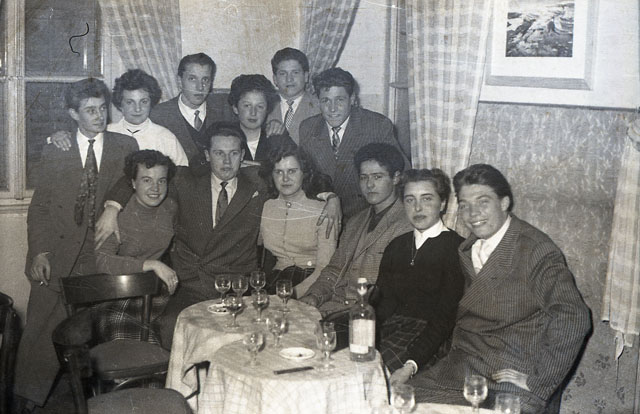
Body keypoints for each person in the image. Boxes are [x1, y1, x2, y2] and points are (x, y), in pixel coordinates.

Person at [408, 164, 591, 413]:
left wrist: (538, 381)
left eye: (483, 202)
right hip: (462, 368)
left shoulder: (535, 249)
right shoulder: (467, 248)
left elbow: (574, 316)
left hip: (508, 375)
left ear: (504, 203)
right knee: (399, 402)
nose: (473, 213)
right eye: (464, 205)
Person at [14, 78, 138, 409]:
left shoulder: (124, 146)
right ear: (73, 114)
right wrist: (40, 252)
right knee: (39, 328)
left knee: (84, 330)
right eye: (90, 110)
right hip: (57, 252)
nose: (99, 116)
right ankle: (25, 401)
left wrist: (113, 207)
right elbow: (40, 208)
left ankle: (90, 401)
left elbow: (131, 181)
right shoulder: (57, 149)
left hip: (99, 253)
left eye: (102, 109)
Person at [299, 143, 413, 314]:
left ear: (396, 178)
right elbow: (334, 269)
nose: (369, 185)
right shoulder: (355, 221)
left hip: (366, 315)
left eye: (377, 177)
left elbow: (394, 293)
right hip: (331, 307)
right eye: (363, 177)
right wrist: (314, 296)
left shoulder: (407, 224)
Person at [375, 169, 465, 383]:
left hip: (430, 341)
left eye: (427, 199)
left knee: (376, 378)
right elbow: (381, 305)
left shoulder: (456, 249)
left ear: (442, 203)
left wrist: (410, 365)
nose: (417, 208)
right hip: (392, 331)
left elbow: (444, 319)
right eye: (410, 200)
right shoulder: (396, 246)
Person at [299, 67, 410, 219]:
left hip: (366, 216)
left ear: (352, 99)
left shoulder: (376, 125)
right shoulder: (308, 128)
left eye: (340, 100)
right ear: (318, 101)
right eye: (326, 101)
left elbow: (403, 173)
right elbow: (305, 179)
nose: (332, 109)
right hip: (321, 214)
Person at [92, 150, 178, 344]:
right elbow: (100, 260)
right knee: (135, 342)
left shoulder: (170, 208)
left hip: (152, 292)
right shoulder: (115, 215)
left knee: (173, 332)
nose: (155, 188)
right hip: (115, 294)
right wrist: (150, 264)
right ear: (132, 183)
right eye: (146, 180)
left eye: (161, 181)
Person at [49, 69, 189, 167]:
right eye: (130, 102)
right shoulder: (105, 131)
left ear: (151, 103)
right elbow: (81, 139)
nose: (138, 109)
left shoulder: (165, 137)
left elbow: (182, 178)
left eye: (144, 102)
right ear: (120, 104)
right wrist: (56, 137)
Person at [258, 142, 336, 297]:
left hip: (311, 282)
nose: (285, 178)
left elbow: (324, 268)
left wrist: (292, 295)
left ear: (304, 173)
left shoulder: (323, 209)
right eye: (278, 172)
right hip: (277, 280)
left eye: (292, 171)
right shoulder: (267, 206)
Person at [149, 53, 231, 172]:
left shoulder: (225, 108)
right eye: (192, 79)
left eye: (205, 80)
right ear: (179, 81)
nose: (200, 87)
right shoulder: (159, 115)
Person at [226, 74, 294, 161]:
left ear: (267, 109)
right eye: (247, 105)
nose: (253, 113)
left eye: (260, 106)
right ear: (235, 108)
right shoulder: (224, 136)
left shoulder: (277, 136)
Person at [265, 47, 320, 144]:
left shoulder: (319, 107)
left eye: (295, 73)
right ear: (275, 79)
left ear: (306, 76)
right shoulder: (263, 105)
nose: (289, 79)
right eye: (283, 73)